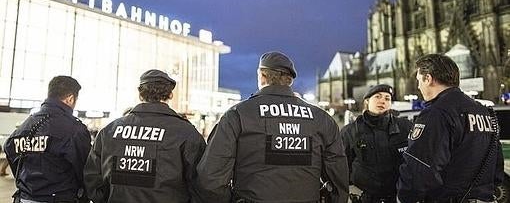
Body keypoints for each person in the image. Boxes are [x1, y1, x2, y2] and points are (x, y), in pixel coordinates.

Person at [197, 51, 349, 203]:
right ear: (290, 80)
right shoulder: (322, 119)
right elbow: (338, 176)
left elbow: (210, 178)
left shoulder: (238, 115)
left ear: (262, 76)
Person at [84, 69, 206, 203]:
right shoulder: (185, 132)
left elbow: (92, 178)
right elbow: (201, 183)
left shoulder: (110, 130)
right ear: (170, 94)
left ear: (140, 94)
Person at [397, 54, 504, 203]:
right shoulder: (483, 111)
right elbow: (497, 166)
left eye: (419, 80)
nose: (419, 86)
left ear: (428, 78)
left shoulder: (437, 113)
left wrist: (405, 197)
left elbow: (419, 169)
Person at [4, 76, 91, 203]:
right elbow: (85, 170)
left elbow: (9, 149)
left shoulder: (25, 126)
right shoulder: (74, 130)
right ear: (70, 98)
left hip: (25, 198)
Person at [340, 84, 413, 203]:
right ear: (367, 101)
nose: (382, 101)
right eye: (377, 97)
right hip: (365, 198)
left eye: (387, 98)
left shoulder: (405, 127)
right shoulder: (350, 132)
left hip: (399, 197)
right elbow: (342, 167)